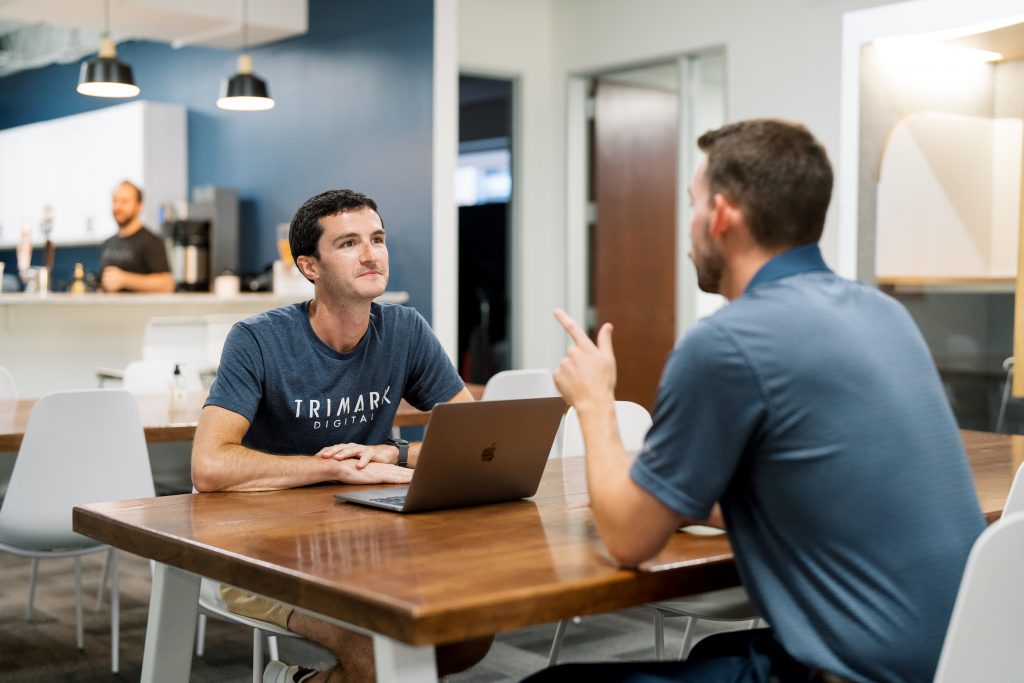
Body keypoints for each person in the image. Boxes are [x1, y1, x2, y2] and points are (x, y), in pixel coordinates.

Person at [535, 119, 985, 683]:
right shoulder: (884, 314)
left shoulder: (726, 343)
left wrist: (595, 402)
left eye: (693, 203)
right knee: (706, 657)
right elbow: (811, 488)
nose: (688, 224)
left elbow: (628, 540)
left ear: (722, 216)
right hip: (966, 658)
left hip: (861, 675)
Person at [192, 189, 490, 683]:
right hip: (263, 554)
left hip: (369, 543)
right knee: (377, 654)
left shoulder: (404, 330)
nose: (372, 255)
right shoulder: (258, 339)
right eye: (349, 243)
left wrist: (390, 452)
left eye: (378, 238)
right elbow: (209, 466)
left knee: (471, 630)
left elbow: (476, 440)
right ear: (309, 267)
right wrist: (333, 467)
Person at [99, 180, 175, 293]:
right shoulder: (107, 243)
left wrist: (125, 280)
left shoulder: (152, 242)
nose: (117, 207)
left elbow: (167, 284)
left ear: (139, 206)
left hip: (140, 310)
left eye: (124, 201)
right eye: (115, 200)